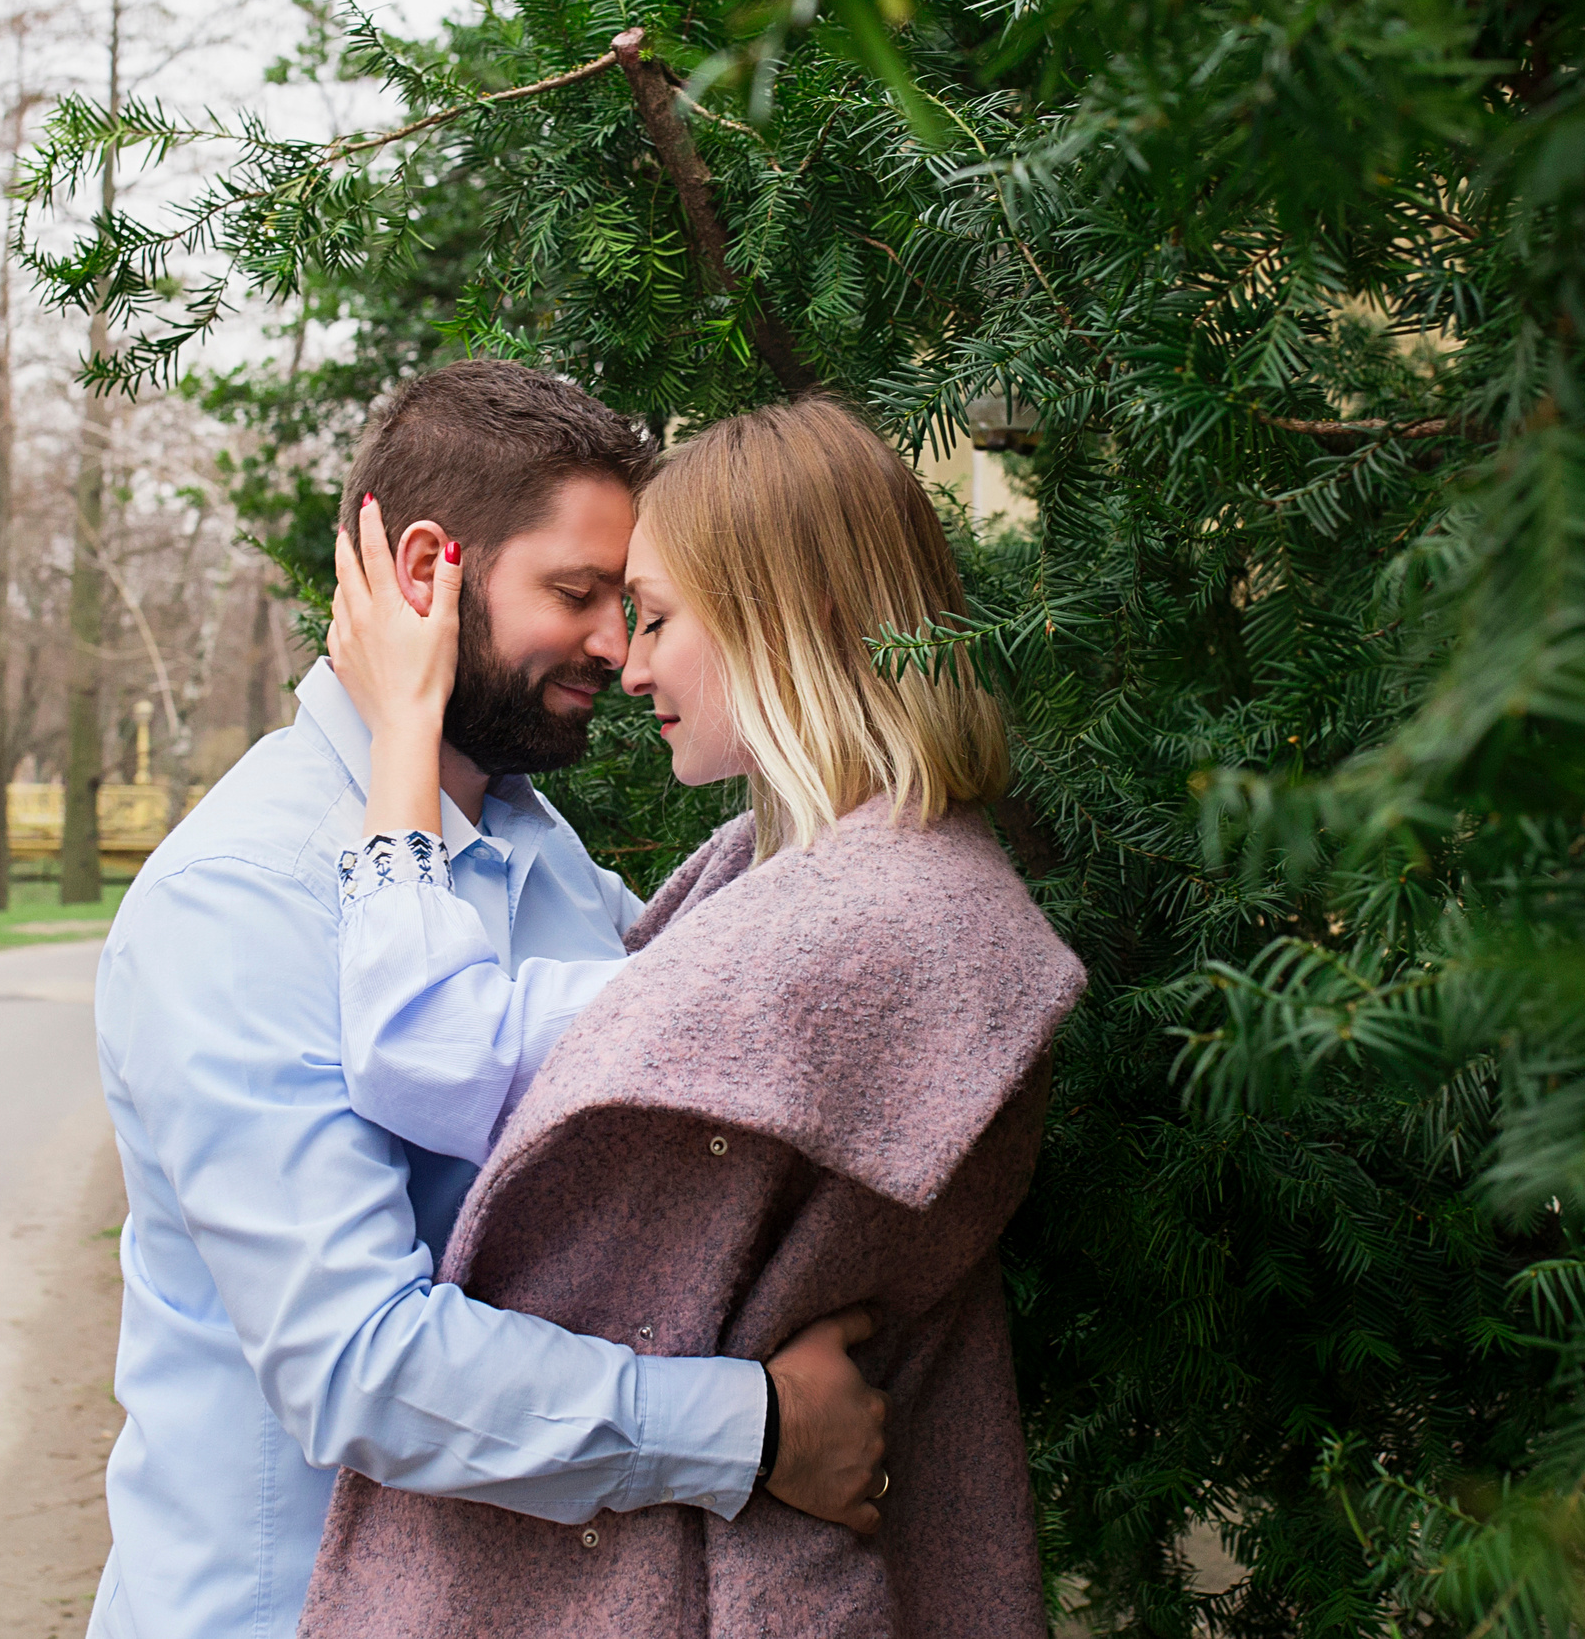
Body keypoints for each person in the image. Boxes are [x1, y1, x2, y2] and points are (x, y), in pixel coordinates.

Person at [88, 362, 889, 1639]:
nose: (617, 648)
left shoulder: (527, 837)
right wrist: (754, 1426)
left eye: (626, 604)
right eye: (575, 594)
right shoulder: (241, 899)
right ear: (427, 574)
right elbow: (357, 1361)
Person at [299, 395, 1087, 1636]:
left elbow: (427, 1048)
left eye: (658, 615)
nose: (631, 658)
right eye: (613, 608)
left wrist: (402, 727)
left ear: (798, 616)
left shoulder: (859, 919)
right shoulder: (807, 879)